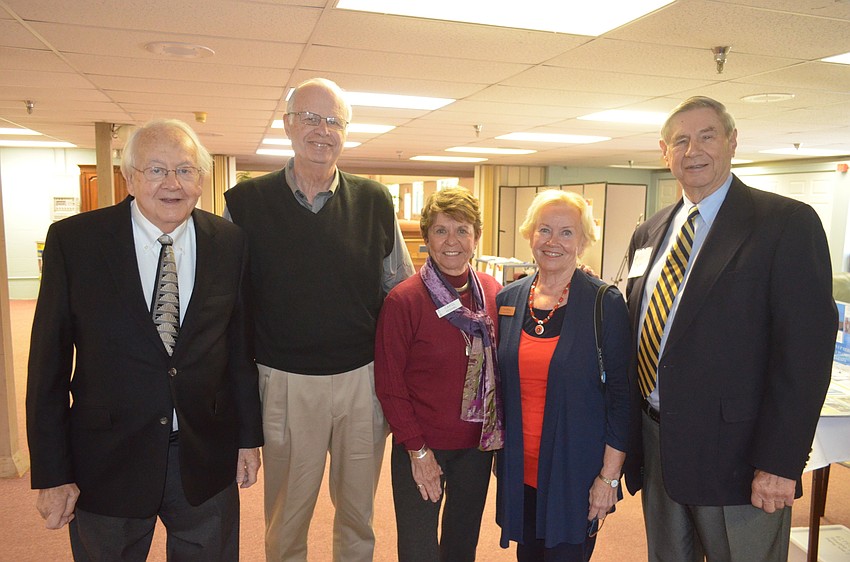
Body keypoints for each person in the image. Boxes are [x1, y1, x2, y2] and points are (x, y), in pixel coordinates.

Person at [26, 118, 263, 560]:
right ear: (130, 177)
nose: (171, 183)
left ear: (201, 179)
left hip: (203, 456)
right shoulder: (76, 242)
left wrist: (249, 438)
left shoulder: (230, 243)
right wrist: (52, 472)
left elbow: (238, 351)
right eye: (155, 169)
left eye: (185, 170)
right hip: (107, 460)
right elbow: (48, 366)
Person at [622, 96, 837, 561]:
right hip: (658, 442)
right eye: (680, 140)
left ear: (732, 142)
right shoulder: (651, 232)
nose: (693, 149)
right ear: (665, 152)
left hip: (738, 457)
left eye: (707, 136)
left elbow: (805, 356)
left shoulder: (785, 223)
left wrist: (780, 462)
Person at [224, 77, 415, 561]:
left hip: (360, 382)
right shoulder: (244, 204)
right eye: (310, 117)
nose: (322, 130)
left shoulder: (375, 201)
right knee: (287, 515)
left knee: (357, 515)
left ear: (345, 132)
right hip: (285, 383)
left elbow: (400, 290)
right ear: (287, 124)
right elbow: (223, 300)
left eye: (334, 121)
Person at [495, 189, 631, 561]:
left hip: (575, 473)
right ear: (529, 235)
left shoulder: (604, 302)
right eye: (544, 230)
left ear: (583, 241)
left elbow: (621, 398)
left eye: (567, 232)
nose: (553, 241)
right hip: (521, 469)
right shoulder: (509, 299)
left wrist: (608, 478)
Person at [374, 187, 503, 561]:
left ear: (476, 238)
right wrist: (417, 451)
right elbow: (390, 385)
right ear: (426, 237)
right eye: (441, 230)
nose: (452, 241)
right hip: (421, 446)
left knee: (462, 546)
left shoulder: (494, 293)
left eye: (462, 230)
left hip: (476, 448)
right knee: (419, 550)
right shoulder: (404, 299)